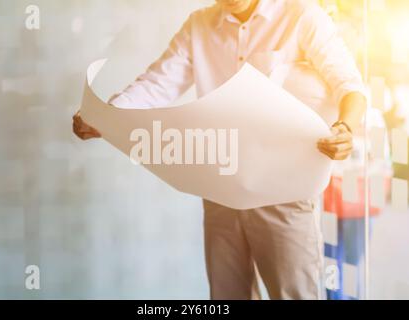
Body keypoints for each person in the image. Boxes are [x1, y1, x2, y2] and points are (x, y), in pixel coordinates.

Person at [73, 0, 367, 299]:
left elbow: (349, 85)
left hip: (284, 191)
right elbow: (157, 84)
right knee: (226, 295)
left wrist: (345, 127)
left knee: (293, 294)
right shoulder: (199, 25)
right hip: (220, 187)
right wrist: (107, 118)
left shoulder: (301, 14)